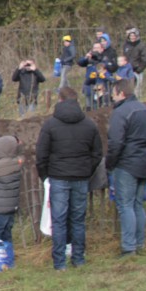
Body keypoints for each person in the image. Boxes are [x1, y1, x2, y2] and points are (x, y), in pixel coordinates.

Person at [36, 86, 102, 269]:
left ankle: (59, 263)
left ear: (60, 100)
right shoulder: (89, 124)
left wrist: (45, 175)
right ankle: (78, 259)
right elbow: (97, 153)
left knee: (59, 221)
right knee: (78, 220)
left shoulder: (50, 125)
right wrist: (86, 170)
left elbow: (41, 154)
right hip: (81, 177)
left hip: (58, 176)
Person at [105, 79, 146, 257]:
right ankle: (139, 244)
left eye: (114, 93)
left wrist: (110, 164)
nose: (112, 96)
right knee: (137, 204)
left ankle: (129, 247)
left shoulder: (120, 112)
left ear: (121, 93)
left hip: (127, 164)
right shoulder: (145, 109)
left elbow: (115, 142)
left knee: (125, 205)